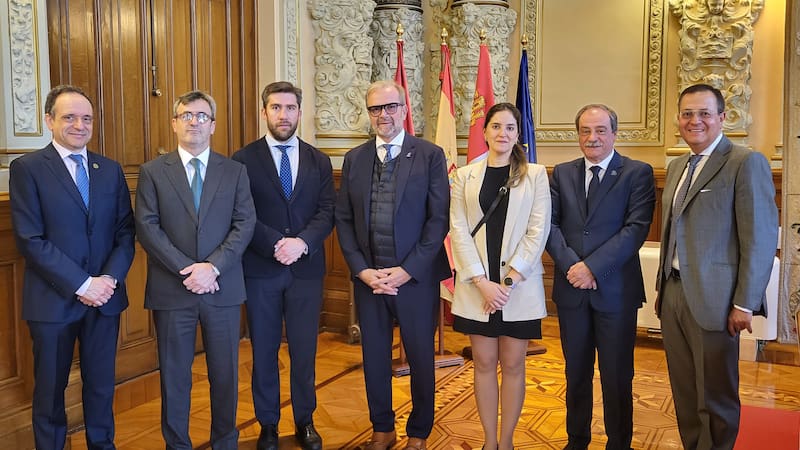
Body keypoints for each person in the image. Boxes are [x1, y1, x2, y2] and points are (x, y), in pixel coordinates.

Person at [9, 84, 136, 450]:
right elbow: (30, 240)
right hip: (53, 302)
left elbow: (125, 232)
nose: (79, 125)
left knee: (100, 385)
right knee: (50, 390)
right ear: (49, 121)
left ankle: (102, 444)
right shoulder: (28, 169)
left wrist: (108, 279)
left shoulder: (109, 170)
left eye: (87, 118)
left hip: (106, 300)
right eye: (69, 117)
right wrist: (83, 284)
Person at [656, 83, 778, 450]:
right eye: (688, 114)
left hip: (717, 301)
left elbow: (759, 238)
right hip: (674, 293)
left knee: (716, 396)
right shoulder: (677, 166)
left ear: (723, 118)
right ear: (678, 119)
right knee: (686, 392)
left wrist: (744, 302)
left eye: (705, 113)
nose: (695, 121)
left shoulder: (745, 162)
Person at [135, 90, 255, 450]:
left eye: (202, 116)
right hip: (173, 291)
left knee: (225, 374)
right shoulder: (153, 172)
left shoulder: (234, 171)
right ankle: (177, 445)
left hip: (223, 289)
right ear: (174, 123)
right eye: (186, 115)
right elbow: (147, 227)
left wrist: (213, 267)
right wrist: (189, 269)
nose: (194, 122)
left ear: (213, 125)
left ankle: (225, 442)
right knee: (174, 376)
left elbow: (244, 223)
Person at [334, 80, 450, 450]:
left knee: (419, 356)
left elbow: (438, 221)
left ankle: (418, 432)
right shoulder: (355, 159)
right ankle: (381, 428)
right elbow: (345, 220)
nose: (383, 115)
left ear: (404, 108)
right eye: (375, 109)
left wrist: (408, 269)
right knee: (374, 359)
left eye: (390, 107)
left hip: (414, 279)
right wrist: (361, 270)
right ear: (368, 115)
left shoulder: (430, 155)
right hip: (370, 279)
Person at [232, 81, 334, 450]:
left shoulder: (319, 160)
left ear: (299, 112)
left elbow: (327, 212)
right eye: (275, 107)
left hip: (306, 270)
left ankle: (305, 420)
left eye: (290, 108)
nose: (283, 114)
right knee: (264, 350)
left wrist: (301, 243)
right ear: (264, 112)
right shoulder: (243, 160)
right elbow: (242, 213)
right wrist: (275, 243)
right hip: (262, 269)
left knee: (304, 349)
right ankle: (268, 424)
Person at [546, 104, 655, 450]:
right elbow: (550, 226)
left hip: (616, 291)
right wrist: (571, 268)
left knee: (617, 375)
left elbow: (636, 229)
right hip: (572, 291)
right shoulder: (562, 173)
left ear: (614, 133)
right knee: (575, 372)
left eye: (600, 130)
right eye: (585, 131)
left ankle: (618, 443)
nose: (592, 138)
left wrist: (591, 268)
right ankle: (576, 440)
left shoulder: (636, 173)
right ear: (577, 134)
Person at [449, 103, 551, 450]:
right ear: (485, 131)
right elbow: (459, 230)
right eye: (496, 127)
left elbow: (538, 231)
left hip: (516, 287)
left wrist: (506, 283)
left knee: (512, 364)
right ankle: (488, 441)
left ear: (518, 134)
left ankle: (506, 441)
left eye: (510, 128)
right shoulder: (464, 176)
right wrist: (482, 282)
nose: (502, 134)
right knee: (483, 362)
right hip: (478, 287)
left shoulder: (535, 174)